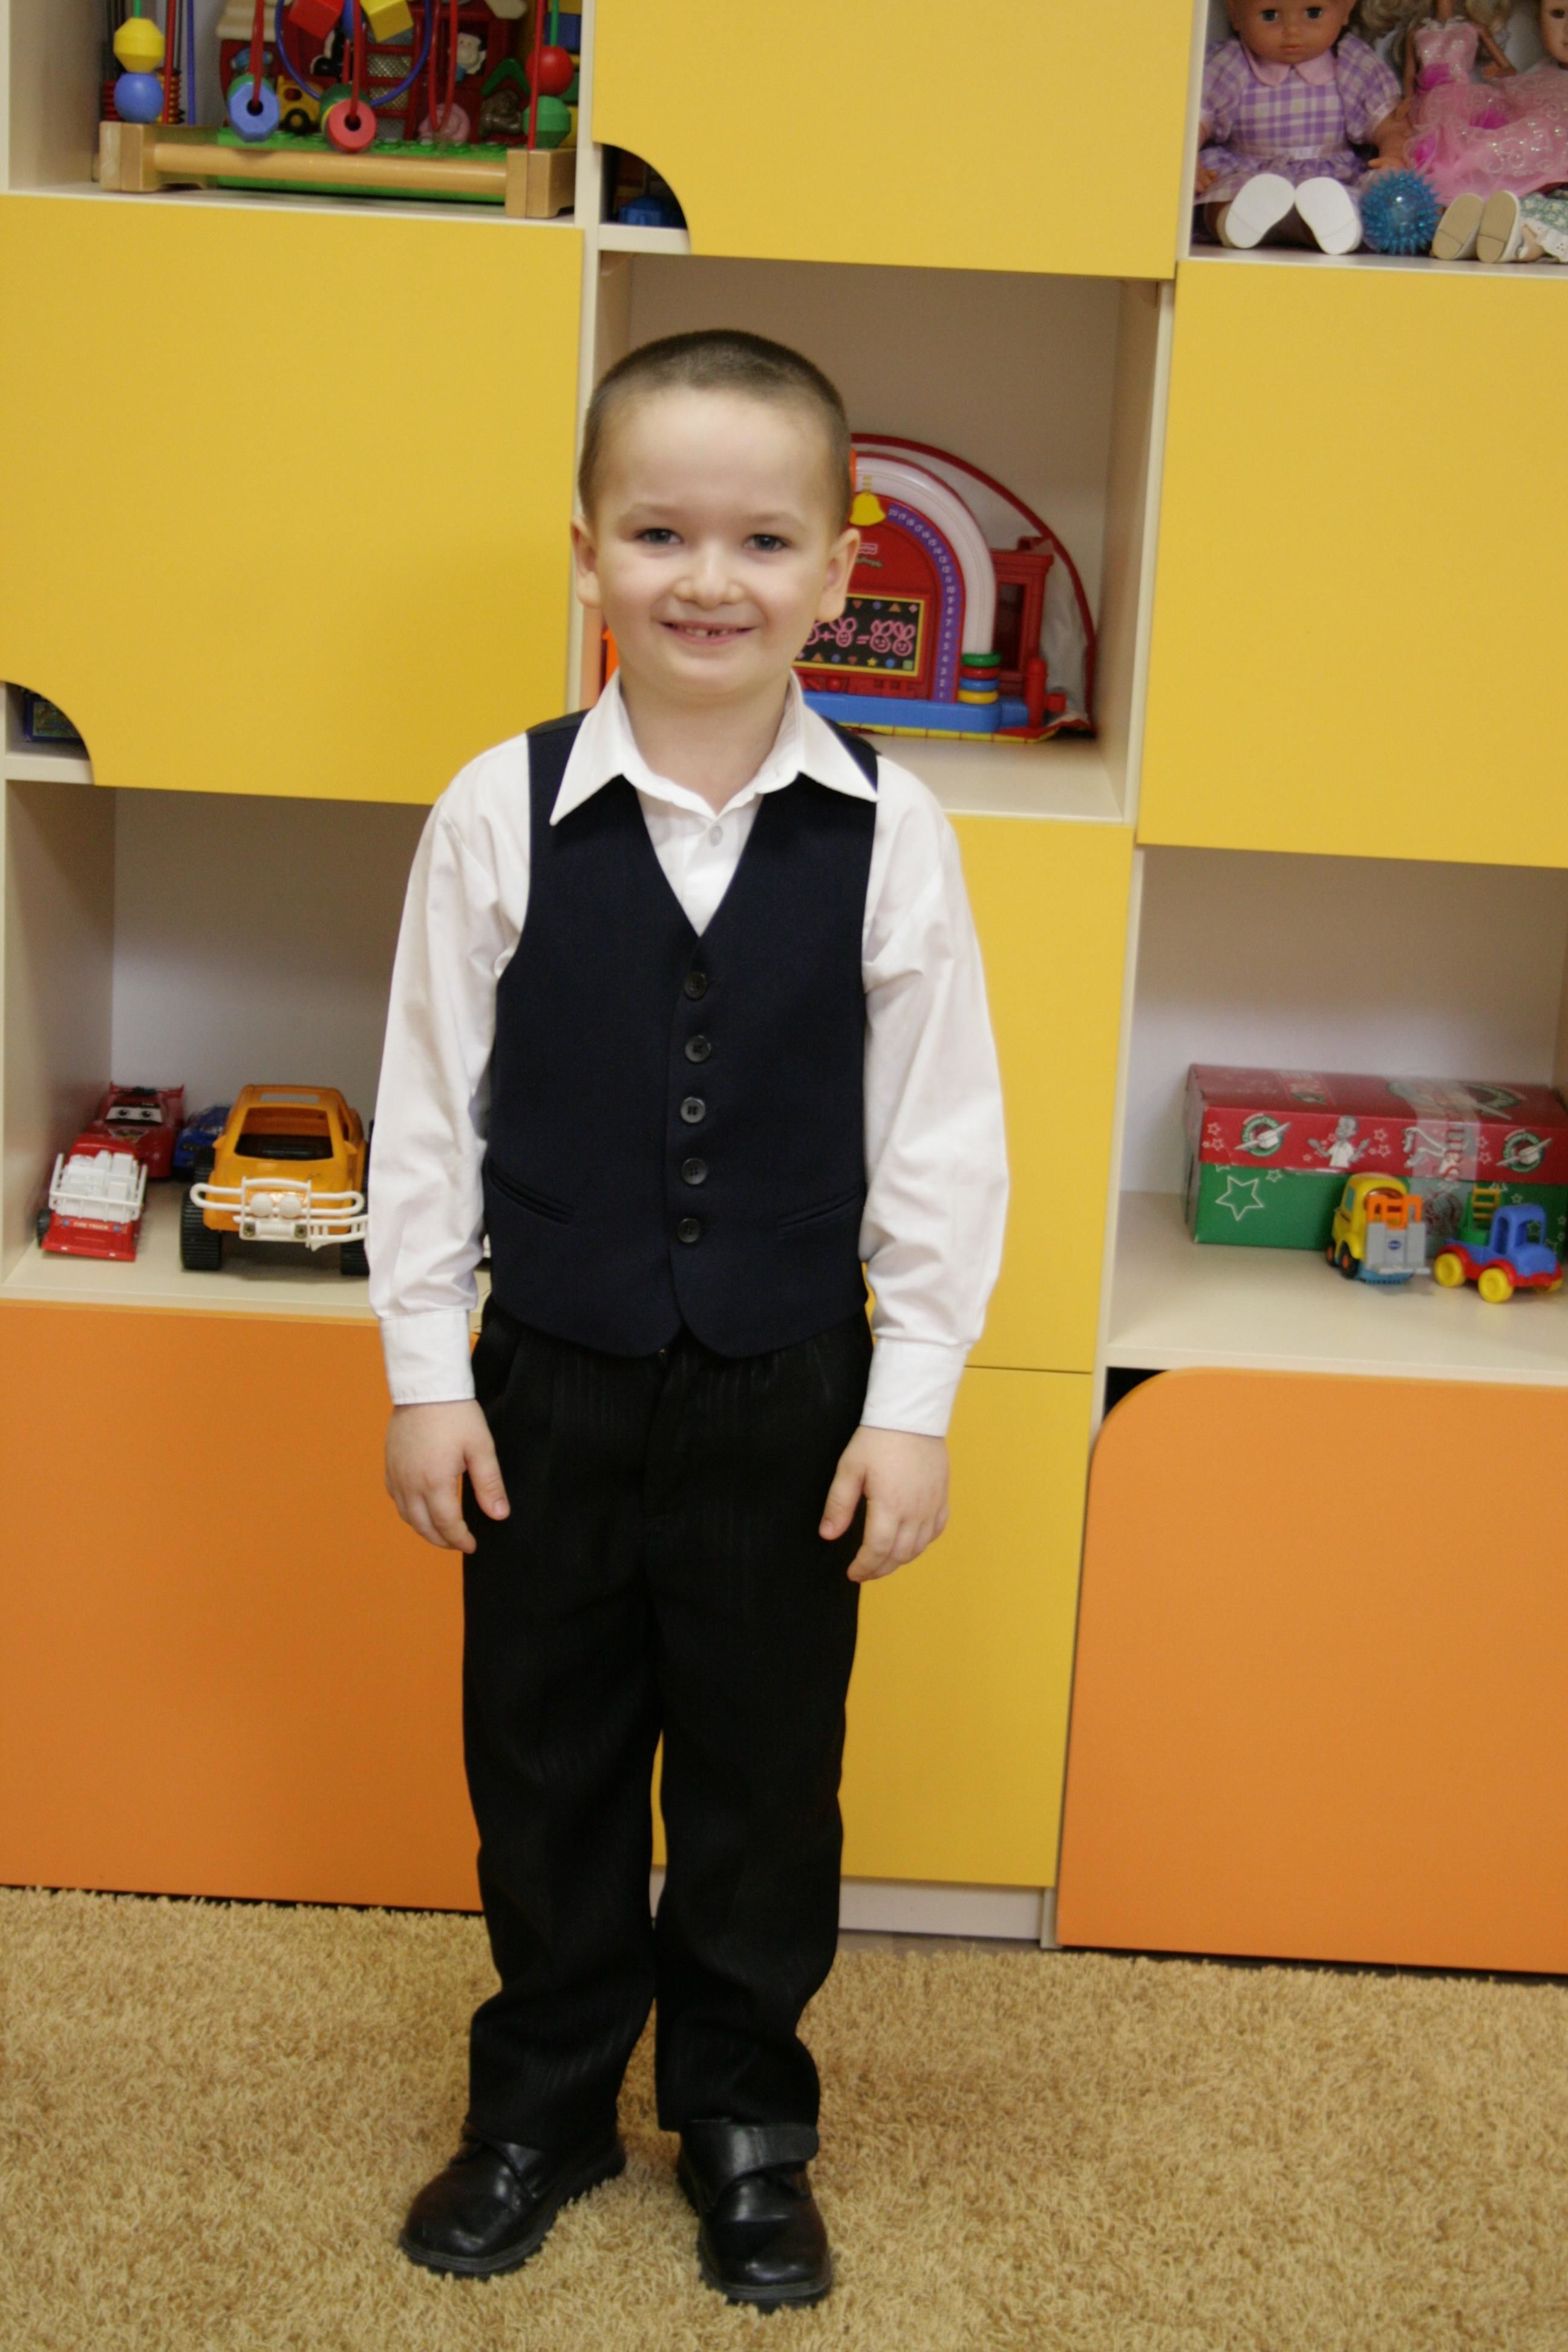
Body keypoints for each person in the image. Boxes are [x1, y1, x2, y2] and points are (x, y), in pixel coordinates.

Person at [367, 328, 1008, 2311]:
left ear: (838, 569)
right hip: (546, 1382)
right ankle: (546, 2102)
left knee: (761, 1778)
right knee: (542, 1762)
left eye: (761, 538)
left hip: (786, 1389)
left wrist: (912, 1399)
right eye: (657, 532)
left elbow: (943, 1135)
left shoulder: (892, 828)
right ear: (587, 550)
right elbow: (425, 1111)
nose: (706, 578)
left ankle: (743, 2118)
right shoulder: (498, 809)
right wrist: (424, 1374)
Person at [1197, 0, 1407, 253]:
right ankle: (1234, 221)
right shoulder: (1231, 63)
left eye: (1313, 13)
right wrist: (1189, 161)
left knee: (1352, 201)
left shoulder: (1352, 63)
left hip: (1329, 179)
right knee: (1220, 198)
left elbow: (1389, 125)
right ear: (1235, 12)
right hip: (1249, 173)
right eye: (1270, 15)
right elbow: (1196, 119)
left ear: (1346, 8)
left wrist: (1393, 155)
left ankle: (1330, 227)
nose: (1292, 31)